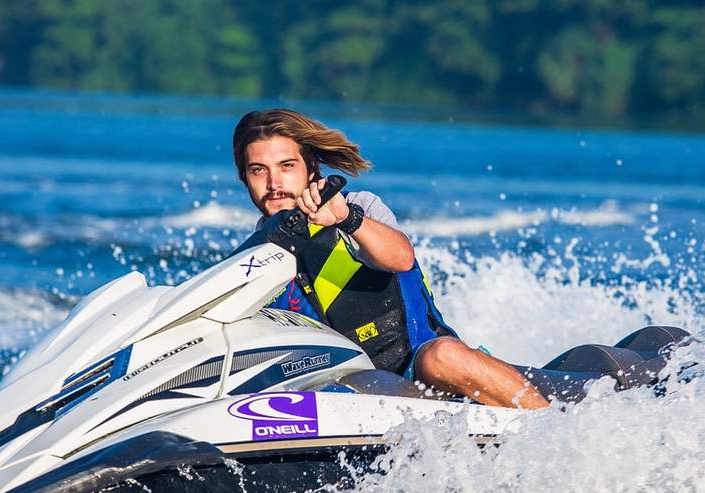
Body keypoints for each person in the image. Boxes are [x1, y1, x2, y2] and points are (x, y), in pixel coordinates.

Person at [233, 109, 548, 409]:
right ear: (244, 178)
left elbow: (400, 257)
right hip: (341, 387)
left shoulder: (359, 207)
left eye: (287, 166)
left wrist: (347, 219)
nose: (274, 183)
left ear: (311, 169)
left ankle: (551, 430)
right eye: (258, 170)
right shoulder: (249, 260)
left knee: (441, 357)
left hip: (420, 364)